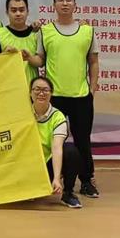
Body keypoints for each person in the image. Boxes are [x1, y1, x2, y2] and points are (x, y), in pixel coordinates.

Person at [22, 0, 100, 199]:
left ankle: (86, 181)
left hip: (81, 96)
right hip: (54, 97)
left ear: (75, 4)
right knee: (49, 141)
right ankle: (47, 179)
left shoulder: (87, 31)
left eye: (68, 0)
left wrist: (92, 89)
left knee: (82, 140)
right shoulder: (45, 31)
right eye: (60, 0)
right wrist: (28, 57)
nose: (65, 3)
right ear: (54, 5)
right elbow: (40, 61)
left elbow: (93, 61)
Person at [30, 76, 82, 209]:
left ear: (51, 93)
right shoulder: (23, 114)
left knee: (71, 151)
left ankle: (68, 193)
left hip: (47, 165)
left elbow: (57, 148)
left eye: (45, 90)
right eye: (37, 89)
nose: (41, 93)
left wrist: (56, 179)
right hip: (28, 165)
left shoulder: (58, 117)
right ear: (30, 93)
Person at [0, 0, 39, 86]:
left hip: (32, 89)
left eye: (21, 10)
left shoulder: (36, 34)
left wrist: (29, 58)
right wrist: (5, 56)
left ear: (28, 12)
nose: (18, 14)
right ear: (7, 12)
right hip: (8, 88)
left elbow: (42, 62)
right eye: (14, 10)